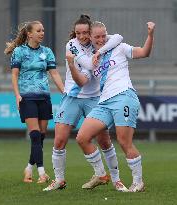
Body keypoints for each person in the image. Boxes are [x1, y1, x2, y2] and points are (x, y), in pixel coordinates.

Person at [43, 15, 128, 192]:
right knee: (59, 140)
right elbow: (89, 64)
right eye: (78, 33)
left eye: (85, 33)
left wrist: (99, 50)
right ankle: (59, 179)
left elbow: (119, 37)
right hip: (72, 97)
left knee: (105, 141)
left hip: (95, 98)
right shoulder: (72, 45)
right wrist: (100, 52)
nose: (81, 36)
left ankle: (116, 180)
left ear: (91, 32)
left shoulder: (98, 42)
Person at [72, 21, 155, 192]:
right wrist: (71, 65)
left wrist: (150, 35)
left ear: (107, 34)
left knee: (124, 142)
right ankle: (101, 174)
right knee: (82, 137)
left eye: (104, 35)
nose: (101, 39)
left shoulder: (119, 47)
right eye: (97, 37)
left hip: (124, 96)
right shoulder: (90, 59)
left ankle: (138, 182)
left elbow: (144, 53)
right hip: (104, 103)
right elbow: (82, 80)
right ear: (90, 37)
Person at [4, 21, 64, 184]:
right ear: (29, 34)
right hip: (27, 97)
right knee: (35, 135)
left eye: (43, 30)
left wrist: (64, 91)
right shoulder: (19, 51)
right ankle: (42, 172)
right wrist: (17, 95)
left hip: (44, 97)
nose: (42, 33)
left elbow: (54, 73)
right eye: (38, 30)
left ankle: (29, 168)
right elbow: (15, 75)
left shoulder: (47, 52)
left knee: (40, 137)